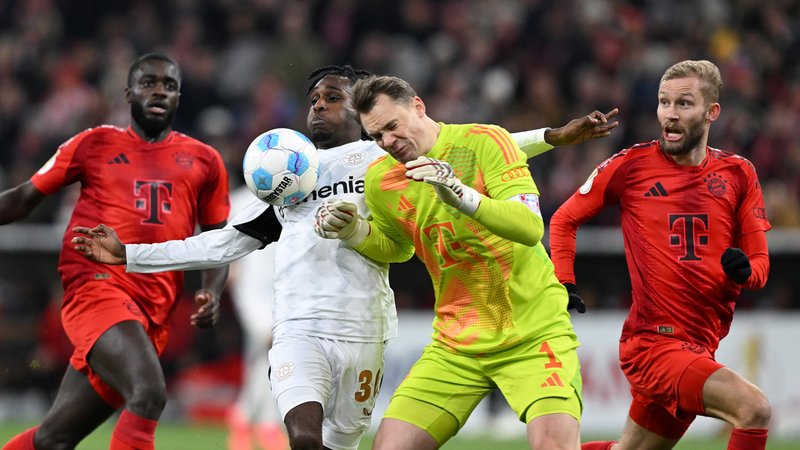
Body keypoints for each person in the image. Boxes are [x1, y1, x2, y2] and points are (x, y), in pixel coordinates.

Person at [71, 65, 617, 450]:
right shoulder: (294, 174)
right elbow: (232, 239)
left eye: (332, 99)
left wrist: (553, 136)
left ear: (363, 114)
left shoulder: (380, 159)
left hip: (370, 330)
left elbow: (483, 143)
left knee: (339, 445)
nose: (318, 108)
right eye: (312, 99)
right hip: (309, 328)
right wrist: (134, 253)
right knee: (304, 436)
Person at [314, 74, 599, 450]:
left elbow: (530, 227)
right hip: (455, 344)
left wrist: (461, 194)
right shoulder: (381, 180)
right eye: (376, 136)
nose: (387, 142)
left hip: (533, 335)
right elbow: (398, 249)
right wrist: (353, 231)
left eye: (392, 127)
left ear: (418, 107)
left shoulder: (484, 142)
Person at [1, 53, 231, 450]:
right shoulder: (94, 143)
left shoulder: (205, 160)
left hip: (153, 307)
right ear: (128, 92)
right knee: (149, 392)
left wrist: (214, 289)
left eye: (169, 85)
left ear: (179, 96)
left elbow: (218, 239)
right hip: (97, 288)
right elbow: (23, 198)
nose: (159, 90)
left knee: (54, 439)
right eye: (148, 82)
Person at [549, 60, 771, 450]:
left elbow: (760, 266)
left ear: (711, 112)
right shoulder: (630, 166)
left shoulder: (739, 173)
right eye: (664, 102)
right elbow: (564, 219)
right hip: (654, 345)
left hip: (700, 344)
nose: (669, 113)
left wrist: (744, 272)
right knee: (753, 409)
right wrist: (564, 281)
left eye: (683, 103)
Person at [225, 186, 288, 450]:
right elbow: (226, 243)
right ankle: (267, 424)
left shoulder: (291, 194)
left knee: (262, 357)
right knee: (273, 344)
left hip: (284, 288)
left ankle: (242, 415)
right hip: (252, 290)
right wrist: (229, 271)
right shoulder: (237, 201)